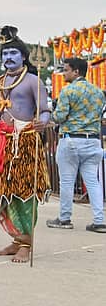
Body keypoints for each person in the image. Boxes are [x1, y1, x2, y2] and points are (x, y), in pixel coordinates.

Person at [0, 26, 50, 264]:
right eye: (5, 54)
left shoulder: (32, 81)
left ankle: (26, 244)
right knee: (2, 194)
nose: (9, 58)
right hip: (0, 143)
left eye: (13, 53)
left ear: (23, 56)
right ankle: (15, 238)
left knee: (23, 193)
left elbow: (45, 110)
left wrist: (43, 123)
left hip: (26, 144)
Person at [47, 57, 106, 233]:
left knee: (67, 181)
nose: (64, 73)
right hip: (93, 141)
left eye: (66, 70)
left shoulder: (68, 91)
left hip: (72, 139)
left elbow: (59, 117)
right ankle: (99, 220)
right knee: (93, 182)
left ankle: (64, 218)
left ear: (76, 72)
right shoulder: (99, 92)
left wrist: (50, 115)